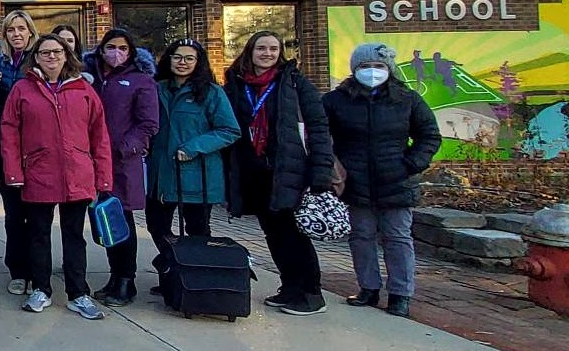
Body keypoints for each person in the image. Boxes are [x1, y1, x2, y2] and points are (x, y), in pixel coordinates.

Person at [0, 33, 113, 318]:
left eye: (57, 52)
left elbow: (99, 135)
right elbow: (9, 131)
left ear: (66, 55)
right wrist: (14, 172)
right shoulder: (23, 89)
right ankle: (41, 289)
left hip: (77, 174)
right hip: (39, 174)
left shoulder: (84, 90)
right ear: (35, 57)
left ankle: (78, 292)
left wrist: (103, 177)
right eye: (45, 52)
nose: (51, 57)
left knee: (74, 236)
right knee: (38, 234)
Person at [324, 43, 441, 319]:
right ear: (355, 69)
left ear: (389, 68)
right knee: (361, 237)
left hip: (397, 180)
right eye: (366, 67)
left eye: (378, 66)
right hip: (354, 182)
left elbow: (429, 135)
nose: (373, 72)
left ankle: (401, 293)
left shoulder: (407, 99)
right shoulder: (336, 100)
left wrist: (411, 164)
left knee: (398, 237)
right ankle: (368, 287)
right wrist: (332, 167)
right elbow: (318, 135)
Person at [223, 31, 334, 317]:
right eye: (262, 48)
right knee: (273, 233)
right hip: (255, 173)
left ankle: (310, 293)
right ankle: (289, 287)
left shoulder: (295, 84)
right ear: (250, 51)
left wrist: (321, 172)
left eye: (274, 49)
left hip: (290, 171)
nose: (268, 53)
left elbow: (319, 129)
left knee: (294, 233)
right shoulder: (237, 84)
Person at [144, 39, 241, 291]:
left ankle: (197, 281)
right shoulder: (157, 88)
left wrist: (194, 147)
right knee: (157, 226)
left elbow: (229, 130)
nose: (182, 62)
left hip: (197, 174)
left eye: (189, 58)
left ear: (198, 63)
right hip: (162, 174)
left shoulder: (211, 92)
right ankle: (172, 268)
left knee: (198, 231)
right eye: (177, 57)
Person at [83, 28, 160, 306]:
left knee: (121, 220)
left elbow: (149, 124)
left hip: (123, 163)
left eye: (124, 48)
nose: (117, 53)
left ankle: (126, 280)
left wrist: (125, 147)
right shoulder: (91, 79)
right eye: (111, 47)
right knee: (104, 221)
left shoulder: (141, 81)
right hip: (93, 162)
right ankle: (114, 277)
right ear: (101, 50)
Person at [0, 10, 36, 297]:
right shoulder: (1, 64)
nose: (17, 34)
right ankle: (17, 270)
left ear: (30, 32)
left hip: (36, 150)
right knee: (13, 214)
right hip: (7, 149)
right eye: (11, 30)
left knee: (37, 215)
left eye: (21, 29)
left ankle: (37, 269)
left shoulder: (40, 62)